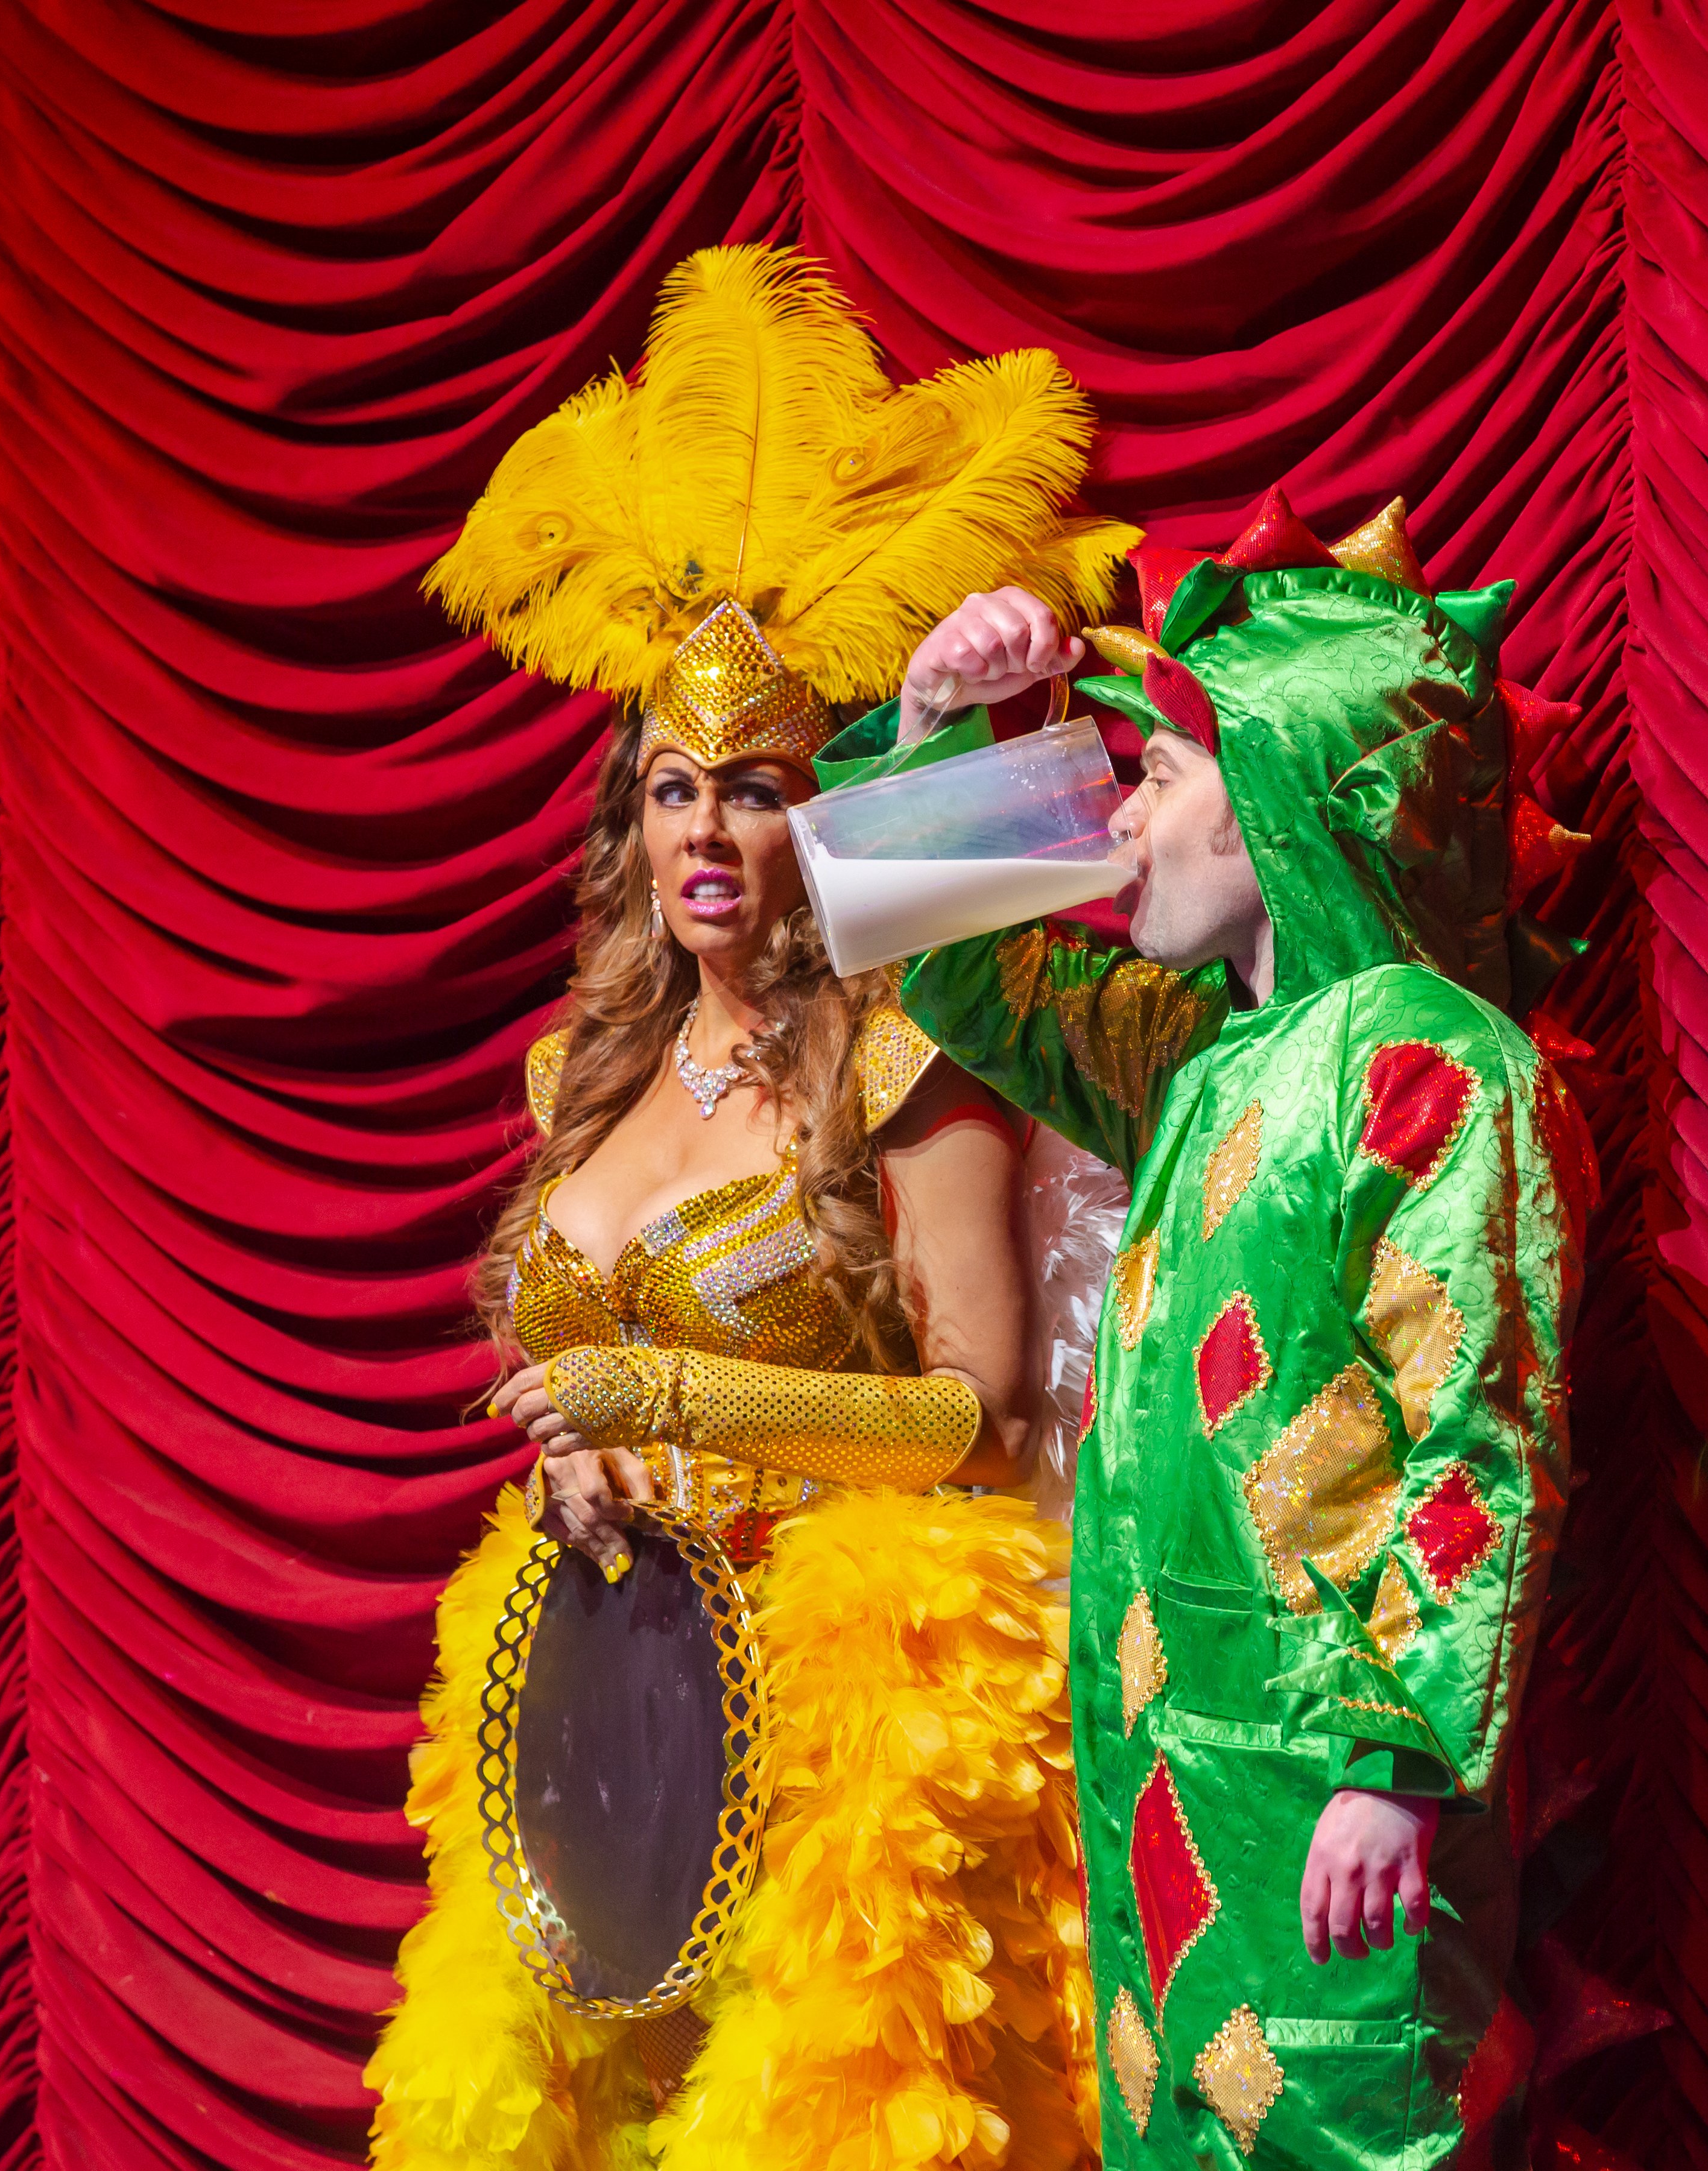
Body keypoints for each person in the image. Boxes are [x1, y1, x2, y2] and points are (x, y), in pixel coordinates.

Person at [363, 244, 1137, 2171]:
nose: (709, 834)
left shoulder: (906, 1054)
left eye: (761, 787)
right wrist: (582, 1464)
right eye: (673, 788)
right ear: (628, 816)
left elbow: (982, 1414)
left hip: (849, 1715)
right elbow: (575, 1385)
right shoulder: (580, 1073)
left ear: (828, 808)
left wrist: (677, 1405)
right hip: (614, 1684)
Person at [822, 493, 1592, 2168]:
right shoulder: (1202, 1057)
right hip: (1173, 1795)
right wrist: (947, 730)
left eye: (1158, 781)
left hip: (1331, 1799)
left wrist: (1399, 1757)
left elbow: (1482, 1430)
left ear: (1274, 810)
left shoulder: (1430, 1062)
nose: (1120, 829)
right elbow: (953, 974)